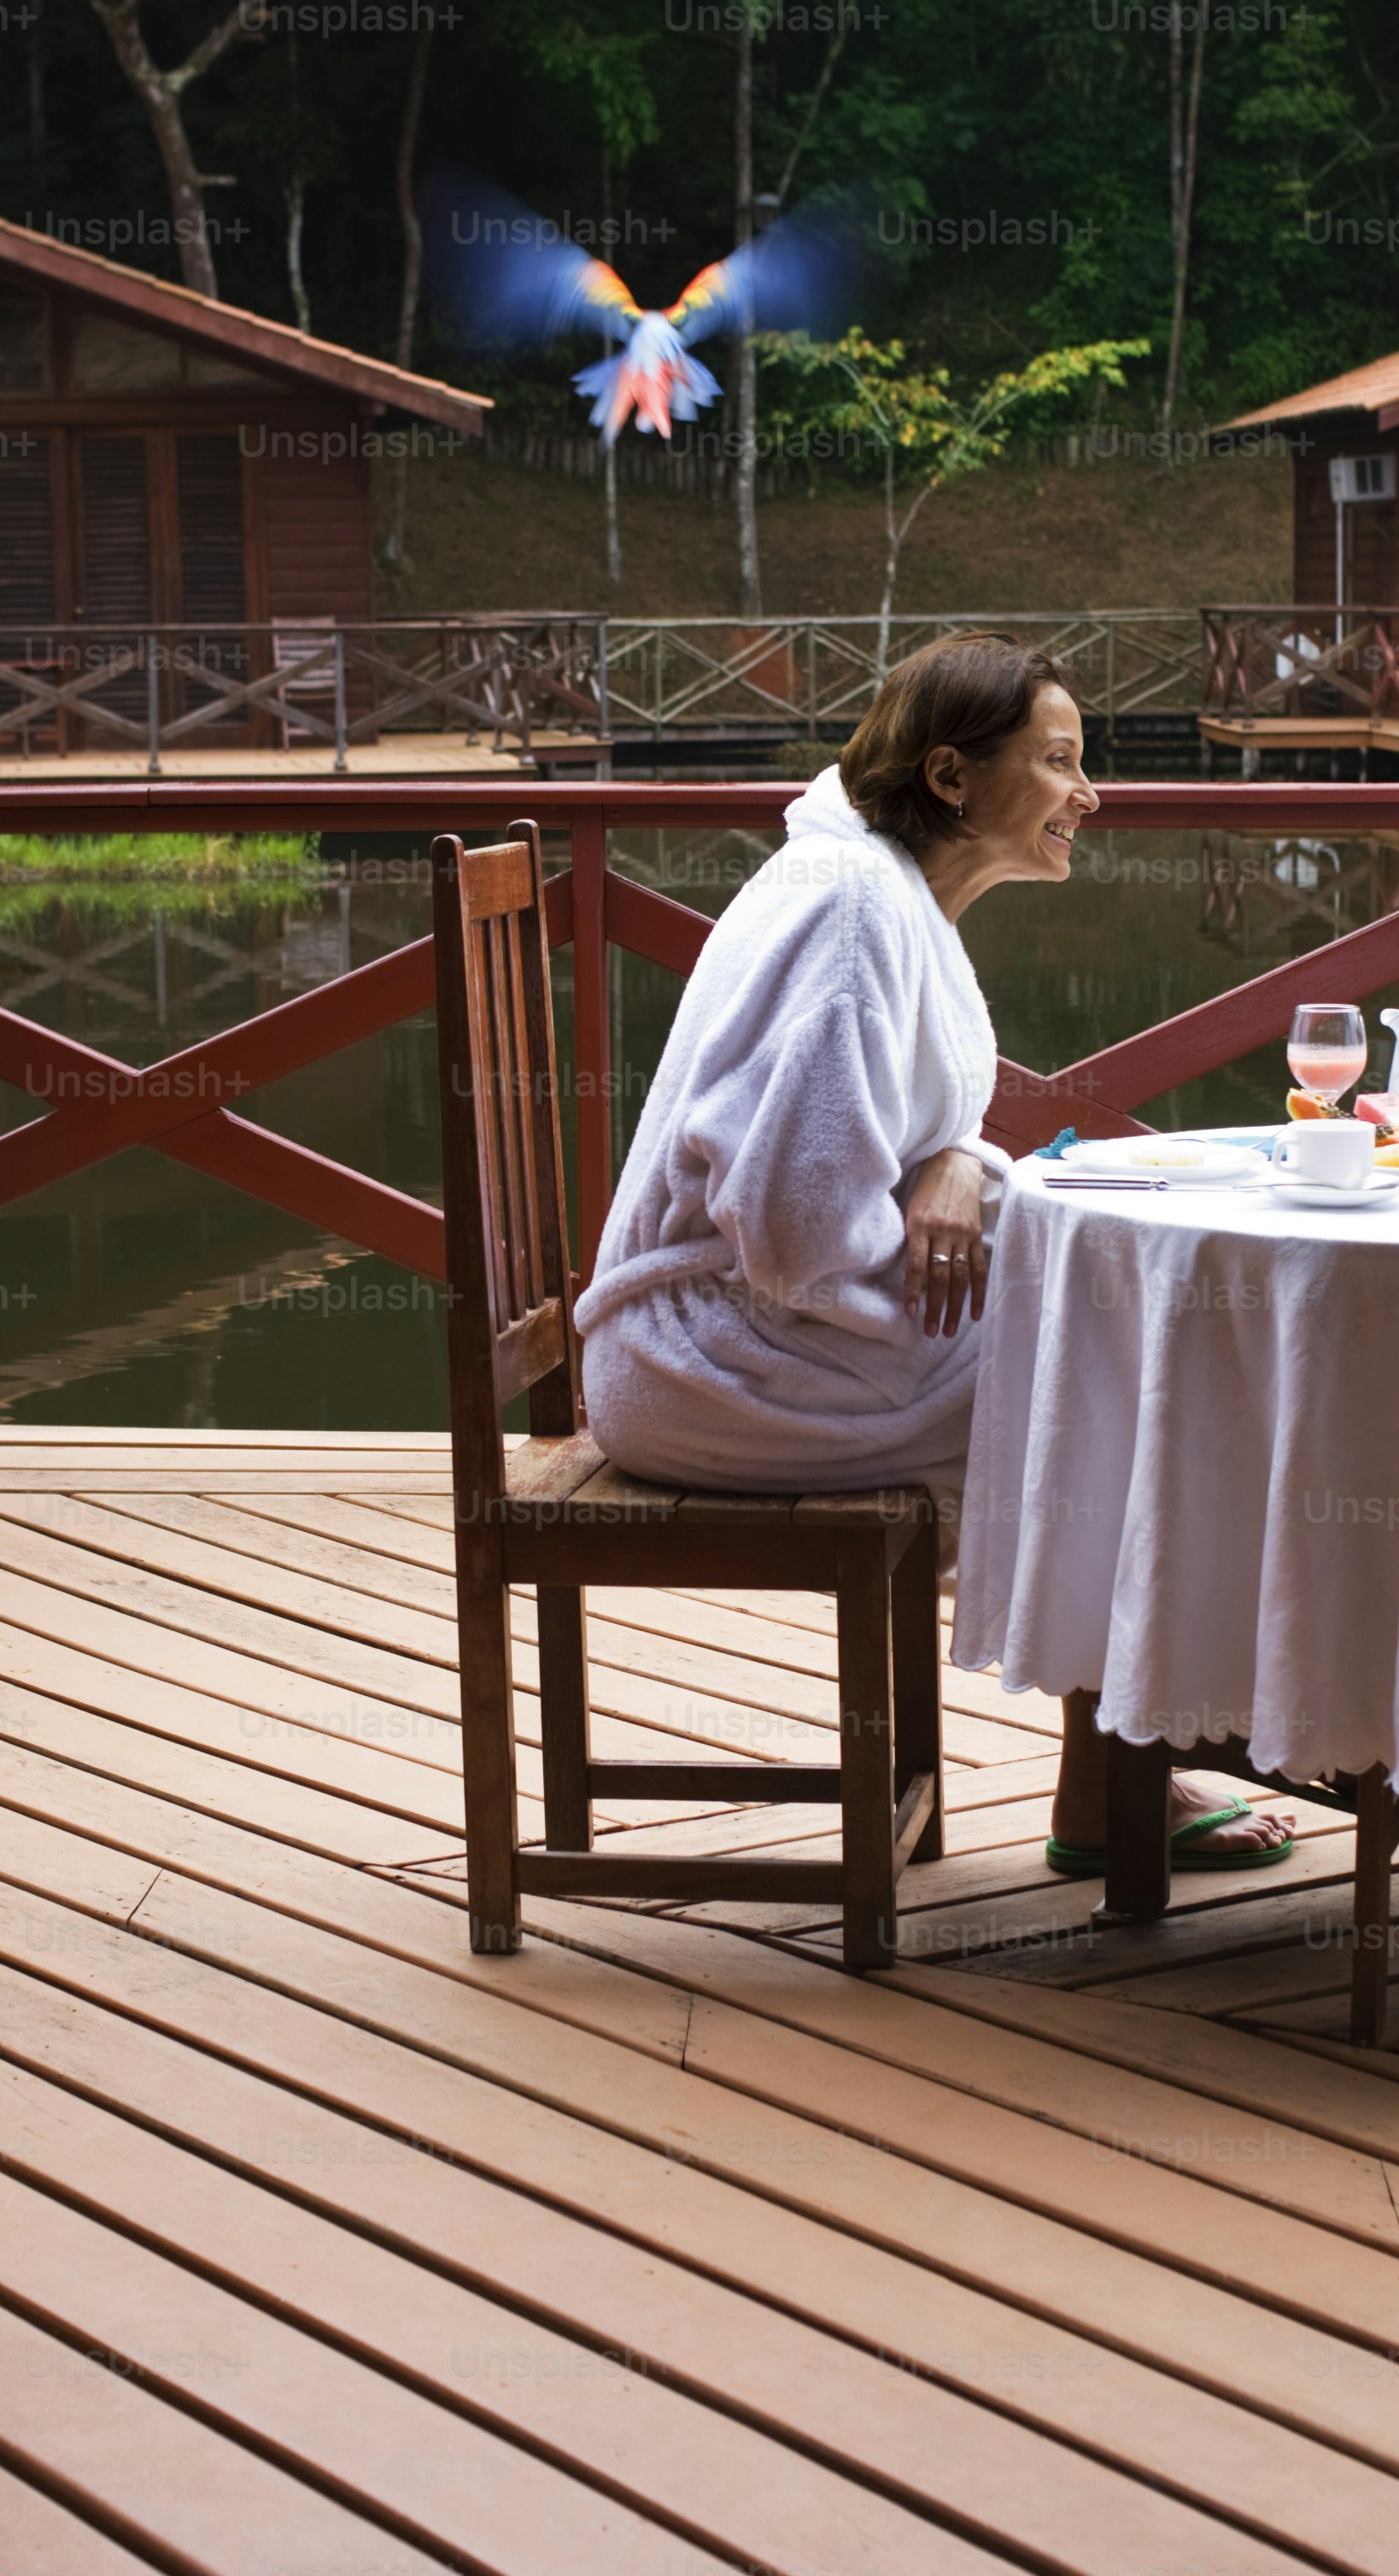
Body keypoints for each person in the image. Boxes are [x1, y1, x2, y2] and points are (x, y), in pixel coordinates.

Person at [574, 634, 1294, 1874]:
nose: (1091, 793)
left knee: (1127, 1361)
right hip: (712, 1360)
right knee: (1137, 1385)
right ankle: (1127, 1772)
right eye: (1061, 761)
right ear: (954, 778)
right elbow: (799, 1230)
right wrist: (969, 1210)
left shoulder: (881, 893)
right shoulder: (851, 912)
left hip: (766, 1334)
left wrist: (963, 1160)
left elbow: (875, 1149)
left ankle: (1123, 1763)